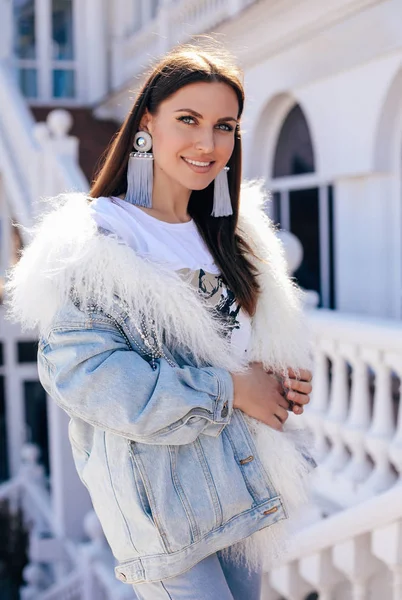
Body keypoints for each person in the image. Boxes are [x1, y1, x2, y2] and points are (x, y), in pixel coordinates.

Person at [6, 43, 314, 600]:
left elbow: (235, 352)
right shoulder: (99, 237)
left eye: (225, 126)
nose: (207, 143)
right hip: (167, 517)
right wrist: (230, 389)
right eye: (188, 120)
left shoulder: (231, 237)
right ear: (148, 123)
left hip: (244, 491)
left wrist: (274, 381)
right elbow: (88, 379)